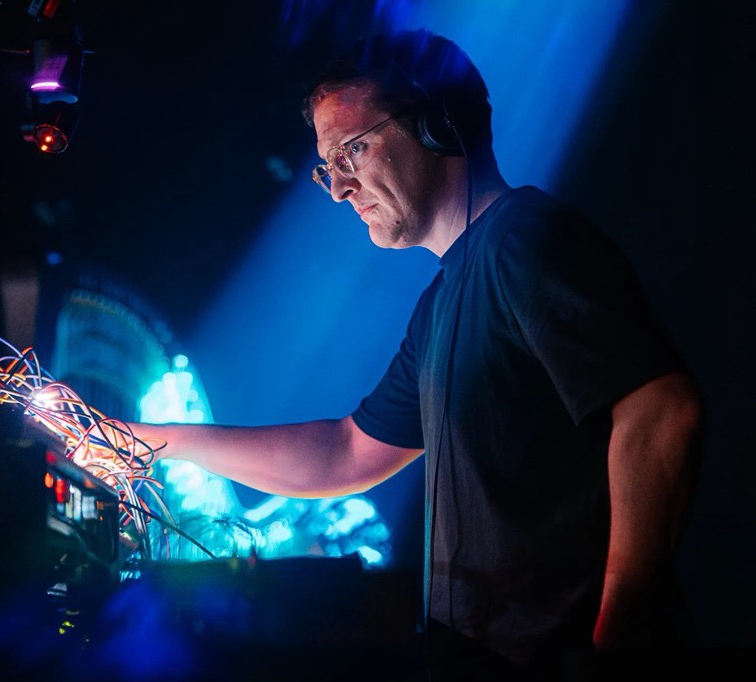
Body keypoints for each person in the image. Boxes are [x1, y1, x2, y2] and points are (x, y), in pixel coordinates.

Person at [130, 29, 701, 680]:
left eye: (353, 149)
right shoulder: (443, 300)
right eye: (328, 168)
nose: (341, 188)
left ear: (437, 122)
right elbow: (347, 452)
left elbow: (661, 411)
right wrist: (145, 440)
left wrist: (617, 624)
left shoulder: (524, 244)